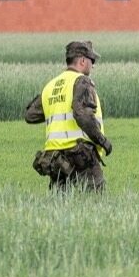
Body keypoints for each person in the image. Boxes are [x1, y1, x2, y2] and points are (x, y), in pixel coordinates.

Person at [24, 39, 114, 191]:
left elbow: (30, 115)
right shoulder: (82, 81)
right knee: (96, 200)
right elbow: (82, 115)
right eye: (92, 60)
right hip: (80, 154)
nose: (93, 65)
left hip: (55, 157)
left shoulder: (51, 86)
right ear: (83, 60)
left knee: (60, 204)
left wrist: (55, 105)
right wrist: (103, 141)